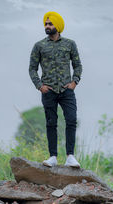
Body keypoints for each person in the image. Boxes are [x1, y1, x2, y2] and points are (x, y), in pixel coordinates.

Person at [29, 11, 82, 167]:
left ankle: (70, 156)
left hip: (67, 90)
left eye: (50, 24)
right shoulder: (39, 46)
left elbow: (77, 65)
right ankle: (52, 156)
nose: (47, 26)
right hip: (49, 91)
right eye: (45, 24)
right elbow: (32, 68)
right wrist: (40, 86)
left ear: (57, 26)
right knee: (51, 123)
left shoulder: (70, 44)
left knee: (71, 120)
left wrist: (75, 82)